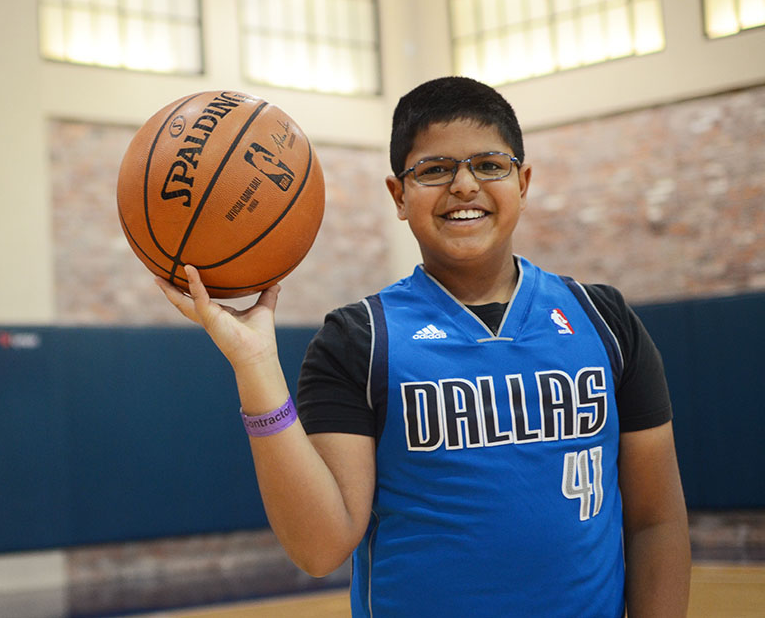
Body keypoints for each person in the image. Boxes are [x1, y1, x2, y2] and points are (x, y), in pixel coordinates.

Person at [156, 76, 690, 616]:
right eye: (434, 170)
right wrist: (256, 365)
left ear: (523, 182)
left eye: (489, 164)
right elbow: (320, 548)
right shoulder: (358, 340)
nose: (464, 186)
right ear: (399, 195)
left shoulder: (605, 321)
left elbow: (655, 521)